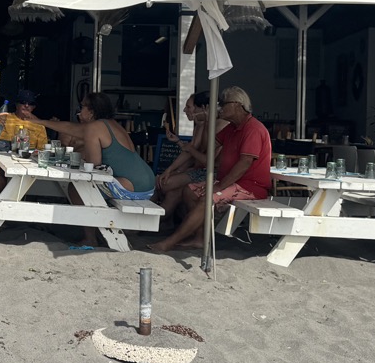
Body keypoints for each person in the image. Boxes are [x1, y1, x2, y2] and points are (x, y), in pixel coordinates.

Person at [148, 86, 271, 255]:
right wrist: (206, 122)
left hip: (250, 186)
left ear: (237, 105)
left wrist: (219, 186)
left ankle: (170, 242)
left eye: (223, 104)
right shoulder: (232, 128)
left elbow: (245, 163)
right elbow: (207, 147)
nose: (219, 108)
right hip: (231, 181)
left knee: (207, 197)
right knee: (189, 191)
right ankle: (199, 238)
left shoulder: (253, 129)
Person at [26, 92, 155, 193]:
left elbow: (93, 167)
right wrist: (39, 121)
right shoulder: (110, 124)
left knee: (77, 189)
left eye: (82, 106)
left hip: (131, 184)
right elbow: (69, 128)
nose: (79, 110)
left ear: (91, 112)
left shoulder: (93, 128)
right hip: (147, 180)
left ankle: (96, 221)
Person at [155, 90, 218, 219]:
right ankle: (161, 222)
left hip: (209, 174)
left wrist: (171, 170)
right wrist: (171, 169)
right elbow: (191, 151)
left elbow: (193, 152)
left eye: (188, 107)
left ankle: (152, 221)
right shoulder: (200, 126)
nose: (185, 110)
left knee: (165, 184)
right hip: (198, 170)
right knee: (169, 190)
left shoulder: (214, 126)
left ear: (202, 108)